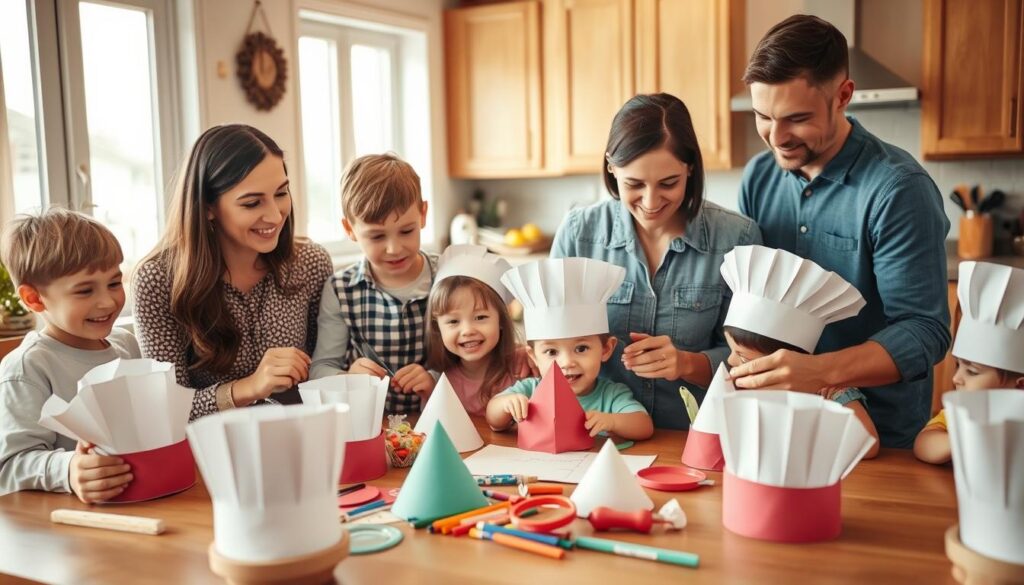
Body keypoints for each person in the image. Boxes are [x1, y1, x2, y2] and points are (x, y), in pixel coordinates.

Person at [734, 15, 950, 448]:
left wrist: (820, 372)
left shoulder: (898, 189)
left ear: (844, 96)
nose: (776, 138)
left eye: (796, 118)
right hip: (781, 423)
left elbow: (925, 331)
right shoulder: (759, 176)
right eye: (762, 116)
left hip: (880, 438)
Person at [551, 93, 761, 429]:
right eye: (634, 184)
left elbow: (751, 359)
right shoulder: (579, 234)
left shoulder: (736, 238)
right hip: (597, 436)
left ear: (690, 167)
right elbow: (551, 342)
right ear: (611, 167)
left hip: (693, 437)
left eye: (668, 183)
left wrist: (686, 363)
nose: (650, 202)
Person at [133, 124, 333, 420]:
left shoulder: (310, 263)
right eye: (252, 203)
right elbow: (167, 409)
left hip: (300, 437)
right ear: (208, 207)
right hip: (211, 453)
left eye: (281, 193)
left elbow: (324, 373)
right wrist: (249, 387)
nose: (275, 215)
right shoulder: (158, 281)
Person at [0, 208, 140, 500]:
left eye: (114, 283)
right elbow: (9, 465)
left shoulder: (126, 344)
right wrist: (68, 469)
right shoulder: (28, 368)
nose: (107, 301)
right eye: (85, 291)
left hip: (141, 498)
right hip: (71, 525)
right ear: (34, 299)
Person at [718, 245, 880, 458]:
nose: (731, 360)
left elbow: (868, 446)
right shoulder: (743, 391)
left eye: (742, 356)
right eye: (731, 350)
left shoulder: (827, 392)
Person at [309, 153, 435, 413]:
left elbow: (471, 361)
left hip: (435, 423)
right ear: (349, 230)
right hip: (367, 426)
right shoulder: (340, 290)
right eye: (377, 236)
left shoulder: (446, 277)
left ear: (423, 214)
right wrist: (348, 379)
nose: (394, 248)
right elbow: (320, 370)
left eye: (407, 231)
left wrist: (433, 378)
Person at [487, 257, 654, 441]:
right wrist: (505, 404)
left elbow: (644, 426)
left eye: (581, 348)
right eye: (551, 352)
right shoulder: (529, 390)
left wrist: (612, 421)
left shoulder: (611, 395)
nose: (567, 362)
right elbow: (494, 420)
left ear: (606, 349)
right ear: (533, 356)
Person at [914, 262, 1024, 464]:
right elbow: (923, 444)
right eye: (958, 366)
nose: (956, 378)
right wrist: (967, 440)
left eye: (972, 372)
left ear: (1020, 386)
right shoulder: (960, 416)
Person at [425, 245, 522, 416]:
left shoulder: (522, 369)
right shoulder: (444, 385)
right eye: (453, 321)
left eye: (480, 317)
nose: (468, 330)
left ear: (501, 319)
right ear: (437, 328)